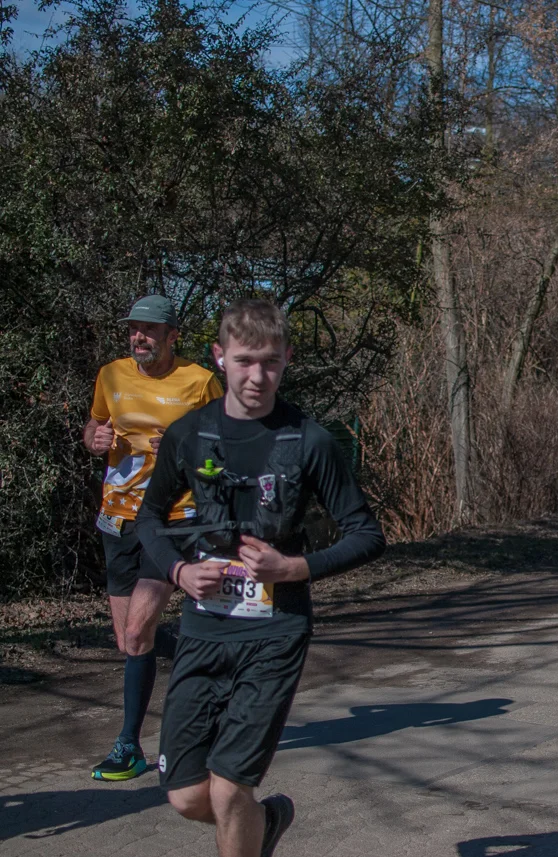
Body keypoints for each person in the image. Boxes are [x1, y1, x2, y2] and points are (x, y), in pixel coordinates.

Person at [135, 299, 385, 857]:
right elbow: (148, 519)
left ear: (287, 359)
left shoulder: (310, 440)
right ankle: (266, 826)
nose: (258, 375)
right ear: (220, 357)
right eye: (245, 361)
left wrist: (292, 568)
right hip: (203, 632)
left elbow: (366, 535)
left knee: (229, 789)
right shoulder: (190, 435)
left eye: (270, 362)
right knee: (186, 796)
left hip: (275, 632)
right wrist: (178, 571)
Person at [83, 295, 224, 782]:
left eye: (149, 330)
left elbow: (223, 452)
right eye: (133, 330)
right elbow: (94, 427)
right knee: (128, 639)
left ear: (172, 336)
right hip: (117, 517)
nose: (138, 337)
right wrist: (94, 440)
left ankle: (129, 744)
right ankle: (208, 648)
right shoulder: (111, 375)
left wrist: (188, 450)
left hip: (173, 518)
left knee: (140, 631)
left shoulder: (200, 381)